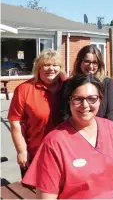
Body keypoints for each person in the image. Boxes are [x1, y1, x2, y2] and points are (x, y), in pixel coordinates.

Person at [22, 74, 113, 199]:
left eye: (92, 98)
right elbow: (47, 196)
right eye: (78, 99)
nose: (85, 105)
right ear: (69, 101)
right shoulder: (55, 142)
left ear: (100, 99)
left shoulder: (111, 129)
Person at [8, 49, 66, 178]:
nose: (51, 68)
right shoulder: (24, 89)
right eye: (46, 64)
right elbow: (15, 123)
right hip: (36, 152)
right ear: (38, 68)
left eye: (55, 64)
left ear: (60, 68)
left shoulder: (69, 87)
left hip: (66, 153)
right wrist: (21, 150)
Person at [61, 45, 113, 122]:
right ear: (79, 62)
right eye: (87, 61)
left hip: (101, 130)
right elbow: (64, 114)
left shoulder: (107, 83)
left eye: (95, 62)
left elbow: (111, 113)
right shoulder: (68, 84)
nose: (91, 66)